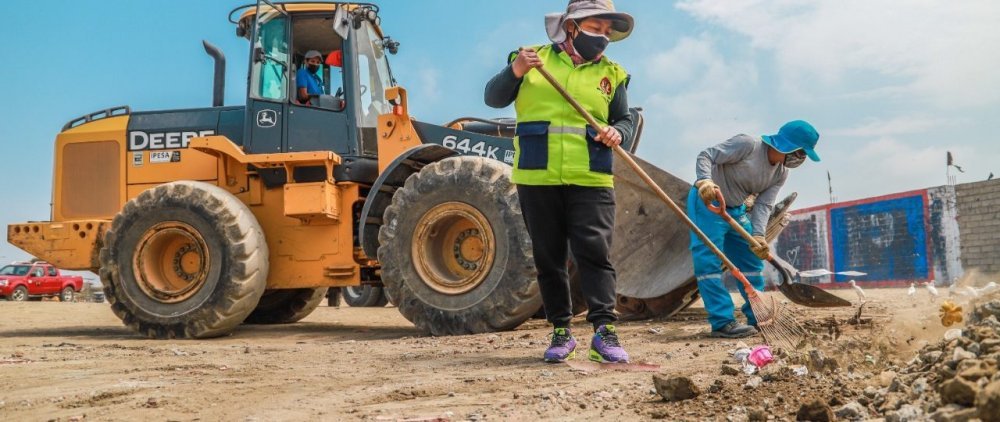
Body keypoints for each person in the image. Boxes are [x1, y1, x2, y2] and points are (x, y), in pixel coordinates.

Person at [484, 0, 635, 363]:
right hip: (538, 176)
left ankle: (604, 333)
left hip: (590, 176)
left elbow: (626, 121)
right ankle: (561, 331)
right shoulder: (532, 58)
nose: (601, 37)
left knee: (594, 253)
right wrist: (516, 70)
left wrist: (617, 132)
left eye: (606, 32)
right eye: (594, 28)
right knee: (549, 257)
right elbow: (493, 98)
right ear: (571, 27)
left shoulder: (612, 74)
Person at [689, 120, 821, 338]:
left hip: (736, 209)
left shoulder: (780, 173)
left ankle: (758, 316)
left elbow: (763, 205)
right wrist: (704, 180)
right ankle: (722, 322)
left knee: (751, 260)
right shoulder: (748, 145)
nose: (802, 159)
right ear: (788, 146)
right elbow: (706, 155)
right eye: (801, 152)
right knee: (709, 262)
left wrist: (758, 235)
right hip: (709, 203)